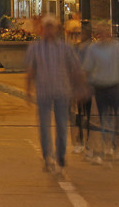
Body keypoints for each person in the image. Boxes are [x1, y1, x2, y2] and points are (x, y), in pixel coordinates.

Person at [26, 15, 83, 177]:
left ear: (57, 29)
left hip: (62, 91)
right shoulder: (35, 48)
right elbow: (31, 70)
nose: (49, 30)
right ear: (42, 29)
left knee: (62, 126)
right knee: (44, 126)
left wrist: (79, 88)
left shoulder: (65, 48)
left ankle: (61, 156)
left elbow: (75, 68)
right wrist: (28, 89)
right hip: (43, 92)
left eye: (52, 27)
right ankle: (47, 156)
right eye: (47, 27)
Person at [82, 21, 119, 164]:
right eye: (102, 31)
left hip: (115, 85)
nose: (105, 34)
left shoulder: (117, 48)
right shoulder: (93, 49)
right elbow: (88, 68)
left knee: (118, 118)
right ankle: (105, 146)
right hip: (100, 86)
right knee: (103, 119)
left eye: (107, 31)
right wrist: (86, 86)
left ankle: (118, 147)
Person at [71, 26, 93, 158]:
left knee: (89, 116)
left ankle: (87, 142)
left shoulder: (92, 49)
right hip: (79, 85)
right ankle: (80, 141)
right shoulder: (77, 49)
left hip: (89, 85)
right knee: (79, 114)